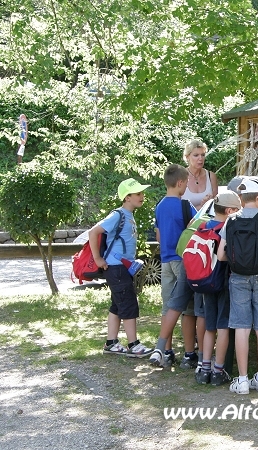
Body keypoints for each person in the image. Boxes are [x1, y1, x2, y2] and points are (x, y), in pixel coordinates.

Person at [217, 176, 258, 394]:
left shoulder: (231, 220)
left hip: (237, 277)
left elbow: (220, 256)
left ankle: (243, 379)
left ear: (241, 198)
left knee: (241, 327)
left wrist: (240, 260)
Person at [89, 178, 153, 358]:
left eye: (142, 193)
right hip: (115, 268)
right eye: (138, 194)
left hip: (121, 268)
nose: (142, 196)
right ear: (127, 198)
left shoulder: (129, 216)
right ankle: (134, 345)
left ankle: (111, 343)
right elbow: (93, 232)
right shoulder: (118, 215)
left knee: (117, 305)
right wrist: (98, 258)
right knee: (128, 304)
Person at [194, 190, 242, 386]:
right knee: (223, 327)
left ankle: (204, 368)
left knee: (209, 326)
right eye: (237, 210)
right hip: (223, 281)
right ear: (230, 210)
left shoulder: (203, 225)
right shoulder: (228, 228)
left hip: (205, 281)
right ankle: (218, 370)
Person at [153, 164, 198, 367]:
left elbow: (159, 234)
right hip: (182, 261)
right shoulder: (185, 206)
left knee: (168, 306)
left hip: (165, 260)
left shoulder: (160, 205)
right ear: (180, 183)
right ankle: (189, 353)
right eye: (186, 182)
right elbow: (197, 227)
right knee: (187, 308)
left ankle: (167, 352)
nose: (187, 186)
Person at [182, 139, 218, 210]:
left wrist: (210, 202)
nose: (200, 158)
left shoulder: (211, 176)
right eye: (196, 155)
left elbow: (217, 206)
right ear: (187, 157)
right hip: (185, 220)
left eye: (203, 155)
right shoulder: (180, 176)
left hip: (208, 219)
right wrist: (201, 207)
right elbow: (176, 208)